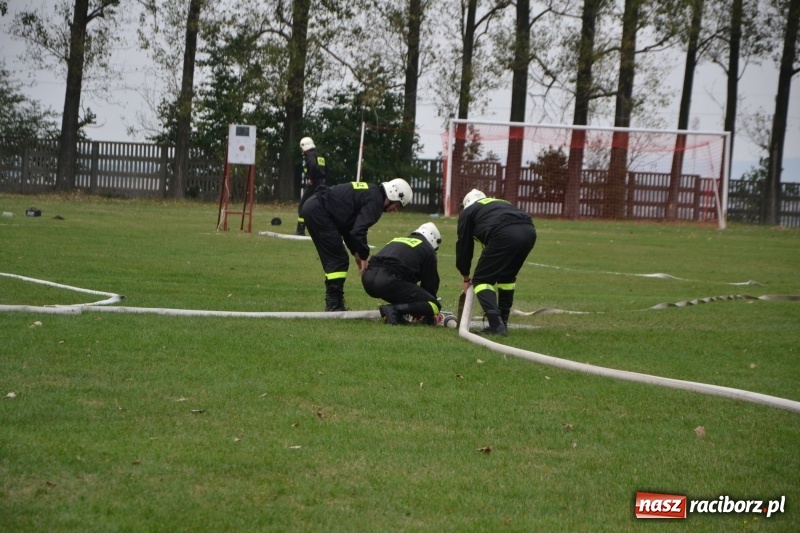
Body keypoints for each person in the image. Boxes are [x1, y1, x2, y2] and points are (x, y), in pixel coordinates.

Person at [300, 178, 413, 311]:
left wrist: (356, 253)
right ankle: (334, 305)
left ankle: (334, 303)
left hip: (315, 207)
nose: (395, 210)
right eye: (397, 205)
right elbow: (358, 231)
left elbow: (349, 228)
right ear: (393, 195)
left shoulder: (372, 193)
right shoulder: (376, 202)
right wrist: (364, 256)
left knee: (338, 258)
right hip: (319, 211)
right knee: (338, 260)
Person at [456, 189, 537, 336]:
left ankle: (496, 325)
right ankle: (503, 322)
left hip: (503, 232)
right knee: (507, 277)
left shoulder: (468, 212)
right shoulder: (499, 203)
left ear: (466, 204)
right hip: (529, 230)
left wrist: (466, 277)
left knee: (481, 280)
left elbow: (464, 247)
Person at [362, 222, 442, 325]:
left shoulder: (399, 240)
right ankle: (394, 310)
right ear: (433, 239)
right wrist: (426, 311)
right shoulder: (428, 249)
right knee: (434, 305)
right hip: (388, 281)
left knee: (403, 289)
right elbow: (430, 284)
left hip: (368, 279)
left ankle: (397, 313)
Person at [295, 137, 329, 236]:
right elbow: (327, 169)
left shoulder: (310, 156)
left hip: (314, 184)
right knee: (319, 206)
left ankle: (300, 229)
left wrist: (311, 178)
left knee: (303, 205)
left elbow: (313, 166)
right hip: (322, 184)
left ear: (305, 146)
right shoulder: (320, 155)